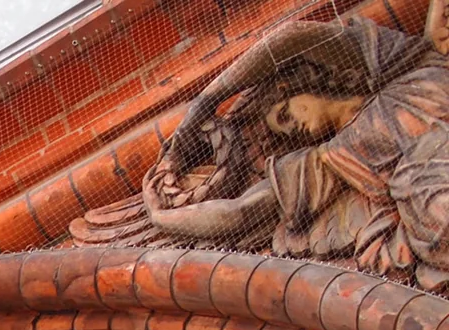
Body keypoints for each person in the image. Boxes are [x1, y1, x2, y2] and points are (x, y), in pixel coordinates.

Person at [137, 2, 449, 290]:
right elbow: (241, 211)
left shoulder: (403, 63)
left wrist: (206, 101)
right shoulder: (333, 158)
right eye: (285, 133)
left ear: (304, 84)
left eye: (285, 113)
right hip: (435, 208)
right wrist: (161, 217)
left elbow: (290, 38)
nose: (291, 129)